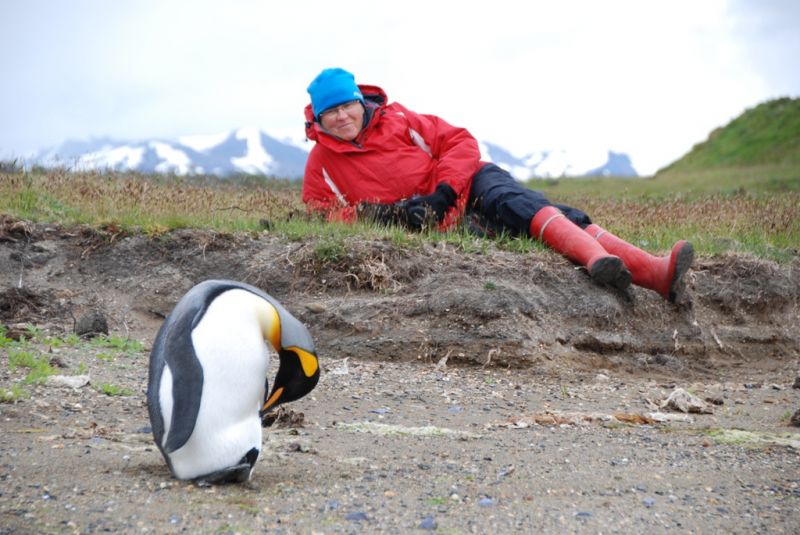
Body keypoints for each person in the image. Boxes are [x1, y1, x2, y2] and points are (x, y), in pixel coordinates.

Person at [302, 67, 694, 302]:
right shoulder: (321, 163)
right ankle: (650, 275)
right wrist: (383, 216)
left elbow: (458, 142)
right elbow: (322, 213)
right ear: (318, 119)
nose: (340, 117)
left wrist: (443, 192)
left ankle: (623, 265)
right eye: (330, 112)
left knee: (514, 201)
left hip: (468, 183)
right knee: (535, 218)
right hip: (438, 222)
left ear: (360, 102)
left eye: (345, 106)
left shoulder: (401, 119)